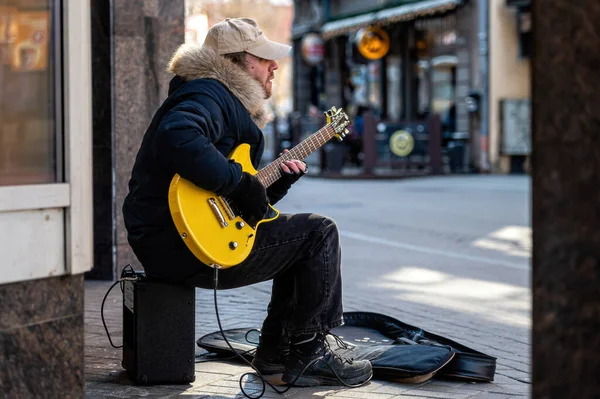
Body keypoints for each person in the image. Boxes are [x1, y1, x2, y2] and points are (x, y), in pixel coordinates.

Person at [122, 18, 373, 388]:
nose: (274, 66)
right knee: (319, 232)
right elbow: (178, 136)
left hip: (173, 239)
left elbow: (235, 206)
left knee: (297, 239)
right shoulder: (208, 94)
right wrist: (241, 182)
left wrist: (272, 187)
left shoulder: (214, 98)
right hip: (179, 242)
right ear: (238, 62)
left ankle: (276, 353)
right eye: (264, 58)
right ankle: (309, 353)